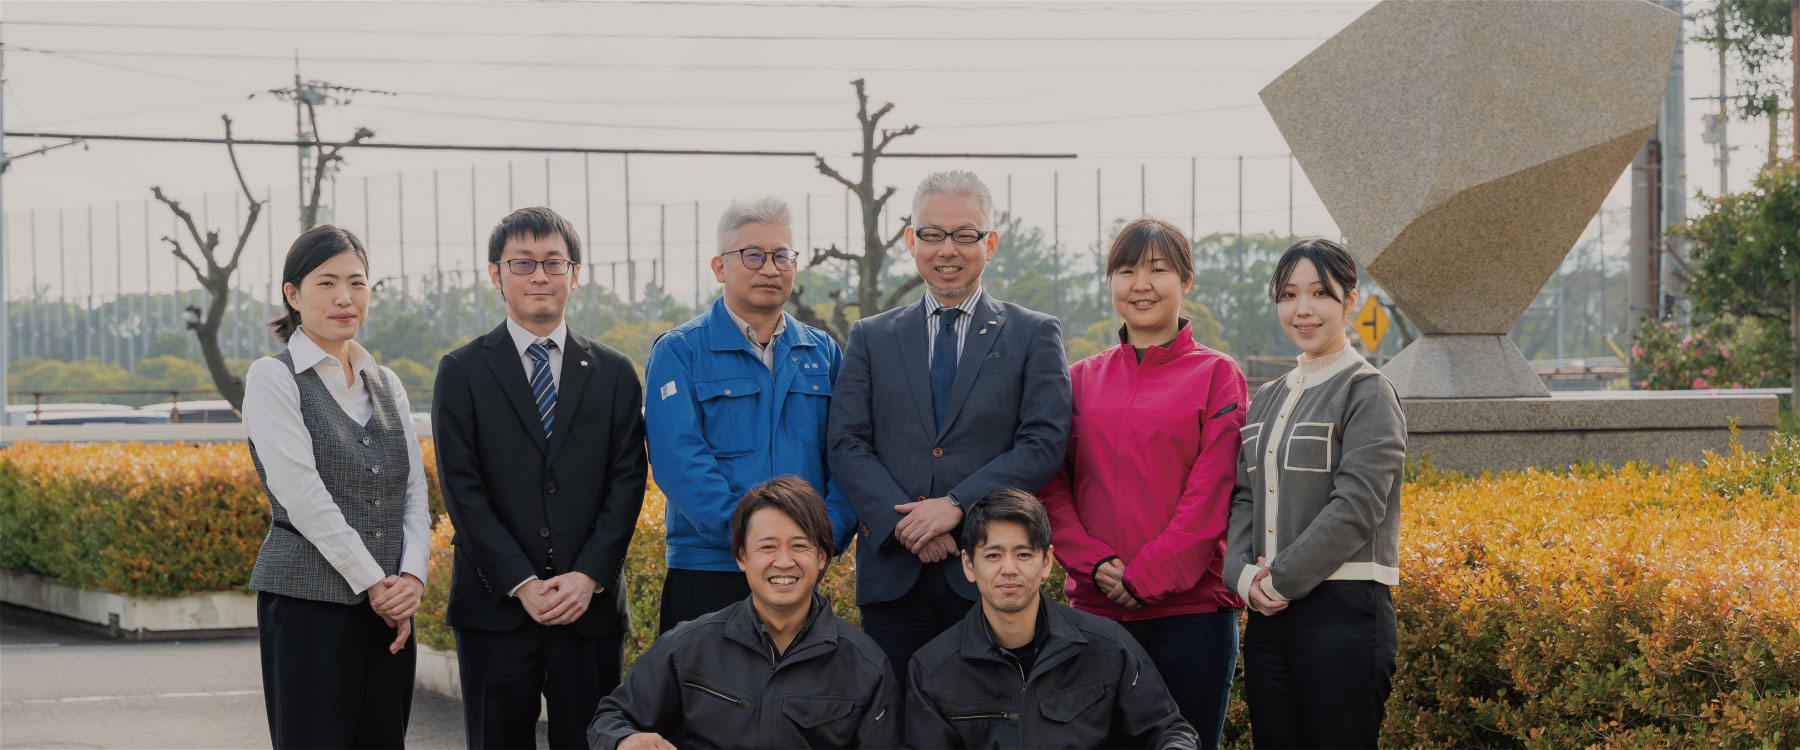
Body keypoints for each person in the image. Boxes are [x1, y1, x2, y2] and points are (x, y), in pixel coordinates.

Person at [828, 170, 1072, 692]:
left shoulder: (1032, 333)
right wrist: (906, 527)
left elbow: (1043, 441)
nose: (948, 250)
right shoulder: (871, 337)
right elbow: (846, 443)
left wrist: (956, 505)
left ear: (991, 243)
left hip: (987, 573)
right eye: (933, 234)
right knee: (893, 722)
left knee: (988, 720)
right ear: (912, 241)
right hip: (894, 575)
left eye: (965, 235)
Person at [433, 207, 648, 749]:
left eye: (554, 262)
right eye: (522, 262)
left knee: (592, 741)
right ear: (495, 274)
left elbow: (627, 482)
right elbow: (463, 490)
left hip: (589, 608)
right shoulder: (461, 372)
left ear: (575, 274)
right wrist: (523, 583)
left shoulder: (615, 372)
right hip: (495, 607)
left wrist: (587, 577)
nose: (539, 275)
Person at [1036, 217, 1246, 749]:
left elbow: (1213, 488)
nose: (1141, 284)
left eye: (1158, 269)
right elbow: (1052, 486)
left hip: (1192, 617)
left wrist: (1147, 576)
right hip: (1095, 612)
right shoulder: (1079, 378)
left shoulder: (1218, 374)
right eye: (1125, 270)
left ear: (1186, 281)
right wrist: (1095, 564)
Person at [243, 225, 431, 748]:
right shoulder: (272, 378)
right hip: (308, 606)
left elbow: (413, 491)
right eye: (326, 283)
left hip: (389, 609)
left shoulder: (386, 381)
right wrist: (375, 583)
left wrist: (411, 578)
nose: (345, 298)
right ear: (292, 294)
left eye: (357, 282)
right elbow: (302, 495)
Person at [1224, 238, 1406, 749]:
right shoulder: (1267, 398)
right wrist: (1240, 575)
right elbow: (1244, 496)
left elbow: (1356, 507)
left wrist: (1278, 580)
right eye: (1288, 294)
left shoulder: (1367, 391)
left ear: (1350, 302)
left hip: (1344, 613)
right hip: (1267, 618)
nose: (1302, 309)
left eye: (1320, 293)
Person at [644, 197, 856, 634]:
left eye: (782, 256)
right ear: (720, 267)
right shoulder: (681, 352)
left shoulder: (822, 353)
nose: (770, 268)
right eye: (753, 255)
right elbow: (679, 460)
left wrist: (821, 540)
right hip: (709, 570)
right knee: (704, 698)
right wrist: (754, 543)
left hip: (798, 573)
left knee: (801, 696)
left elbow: (848, 453)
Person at [587, 476, 900, 750]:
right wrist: (624, 740)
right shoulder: (689, 647)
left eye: (800, 546)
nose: (784, 561)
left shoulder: (865, 665)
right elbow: (611, 717)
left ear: (822, 557)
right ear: (741, 557)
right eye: (767, 547)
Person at [905, 489, 1198, 750]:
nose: (1009, 569)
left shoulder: (1108, 646)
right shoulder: (933, 669)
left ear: (1046, 562)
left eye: (1023, 554)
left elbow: (1168, 729)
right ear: (969, 565)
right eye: (993, 555)